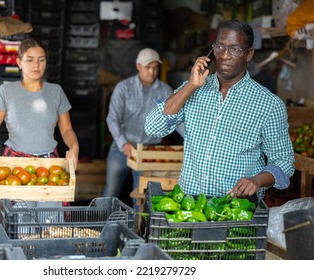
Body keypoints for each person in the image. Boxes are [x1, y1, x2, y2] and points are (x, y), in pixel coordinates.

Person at [144, 20, 295, 202]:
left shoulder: (269, 104)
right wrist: (190, 86)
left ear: (249, 54)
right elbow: (152, 128)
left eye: (235, 49)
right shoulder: (193, 89)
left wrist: (257, 180)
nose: (224, 55)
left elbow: (284, 162)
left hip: (235, 207)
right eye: (219, 47)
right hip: (191, 206)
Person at [0, 38, 79, 222]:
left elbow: (67, 130)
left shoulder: (56, 92)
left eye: (41, 60)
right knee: (22, 226)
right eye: (30, 59)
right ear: (19, 62)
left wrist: (74, 147)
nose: (36, 65)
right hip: (16, 165)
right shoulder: (6, 92)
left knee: (52, 225)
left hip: (50, 166)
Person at [103, 48, 177, 207]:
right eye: (147, 67)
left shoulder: (165, 91)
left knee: (143, 195)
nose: (152, 72)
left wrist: (194, 138)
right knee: (110, 192)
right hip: (122, 147)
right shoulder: (124, 87)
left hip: (149, 150)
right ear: (138, 66)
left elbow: (176, 120)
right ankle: (99, 227)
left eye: (155, 67)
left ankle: (138, 231)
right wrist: (123, 142)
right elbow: (112, 118)